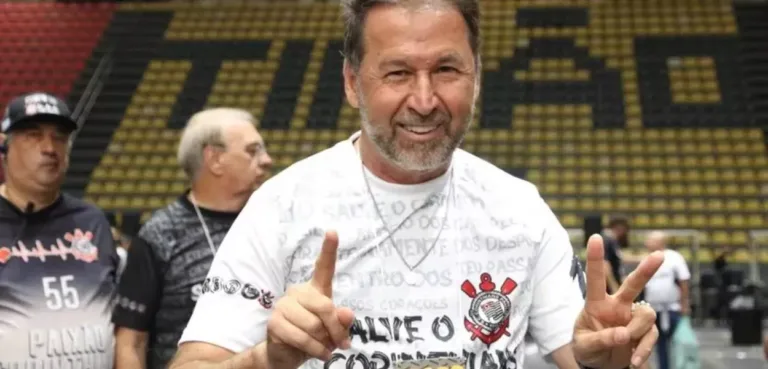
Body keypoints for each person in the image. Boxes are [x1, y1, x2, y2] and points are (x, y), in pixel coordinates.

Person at [169, 1, 663, 369]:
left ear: (476, 77)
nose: (424, 100)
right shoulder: (281, 205)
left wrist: (612, 358)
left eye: (446, 70)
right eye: (398, 73)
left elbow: (589, 355)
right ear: (351, 82)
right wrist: (264, 360)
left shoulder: (519, 209)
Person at [112, 108, 273, 369]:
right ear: (215, 159)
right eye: (252, 151)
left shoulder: (272, 222)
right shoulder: (161, 233)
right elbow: (131, 341)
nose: (267, 160)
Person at [0, 92, 119, 367]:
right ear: (4, 145)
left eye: (59, 137)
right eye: (33, 135)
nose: (50, 148)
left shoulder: (92, 221)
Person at [642, 231, 691, 369]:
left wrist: (684, 304)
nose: (646, 243)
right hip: (653, 309)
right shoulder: (647, 258)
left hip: (672, 308)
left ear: (660, 242)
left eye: (650, 240)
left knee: (677, 341)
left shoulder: (674, 257)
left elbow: (684, 281)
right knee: (659, 343)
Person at [602, 215, 631, 294]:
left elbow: (619, 258)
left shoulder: (613, 241)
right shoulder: (607, 240)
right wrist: (614, 287)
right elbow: (605, 264)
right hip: (608, 288)